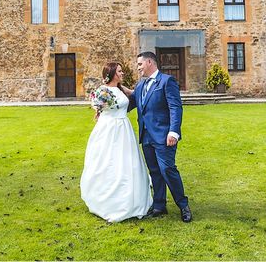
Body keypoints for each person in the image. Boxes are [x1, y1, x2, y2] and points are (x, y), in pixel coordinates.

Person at [80, 62, 152, 222]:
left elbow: (133, 94)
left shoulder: (120, 88)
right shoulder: (102, 90)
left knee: (127, 161)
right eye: (120, 71)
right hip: (109, 129)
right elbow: (97, 105)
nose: (122, 73)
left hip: (123, 128)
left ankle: (132, 198)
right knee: (108, 161)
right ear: (112, 73)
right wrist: (99, 111)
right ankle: (107, 200)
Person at [126, 51, 192, 223]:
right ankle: (159, 205)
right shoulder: (140, 86)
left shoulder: (166, 81)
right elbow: (129, 104)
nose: (138, 67)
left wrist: (174, 131)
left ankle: (183, 205)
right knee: (154, 172)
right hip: (146, 137)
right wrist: (107, 104)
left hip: (164, 136)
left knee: (168, 170)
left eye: (140, 64)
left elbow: (175, 108)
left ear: (149, 62)